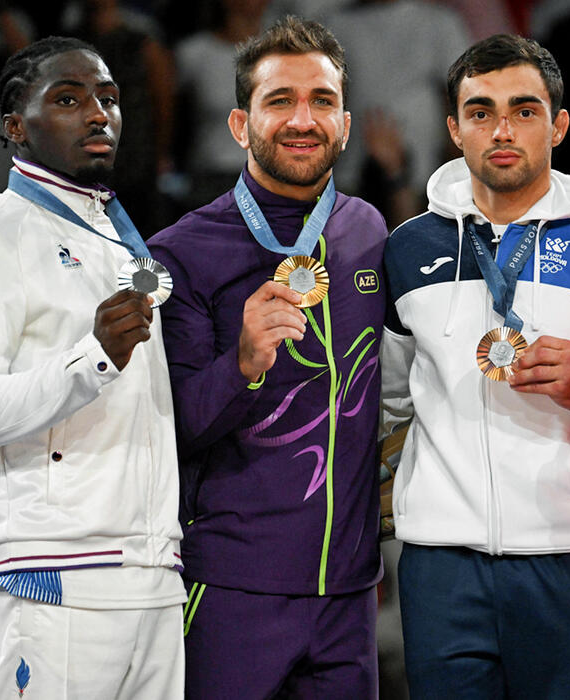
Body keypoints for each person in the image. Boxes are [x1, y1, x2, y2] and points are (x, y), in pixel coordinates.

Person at [380, 34, 570, 699]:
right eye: (481, 112)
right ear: (454, 129)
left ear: (558, 125)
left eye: (524, 111)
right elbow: (390, 399)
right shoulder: (406, 250)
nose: (502, 130)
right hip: (441, 565)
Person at [0, 36, 184, 699]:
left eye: (108, 98)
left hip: (151, 574)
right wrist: (89, 361)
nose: (98, 114)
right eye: (68, 99)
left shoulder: (120, 243)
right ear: (16, 127)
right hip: (48, 575)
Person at [147, 17, 387, 700]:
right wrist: (243, 363)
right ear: (239, 124)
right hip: (232, 589)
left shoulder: (368, 231)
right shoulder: (181, 253)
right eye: (280, 100)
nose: (303, 120)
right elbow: (172, 429)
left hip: (349, 595)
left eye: (322, 101)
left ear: (345, 124)